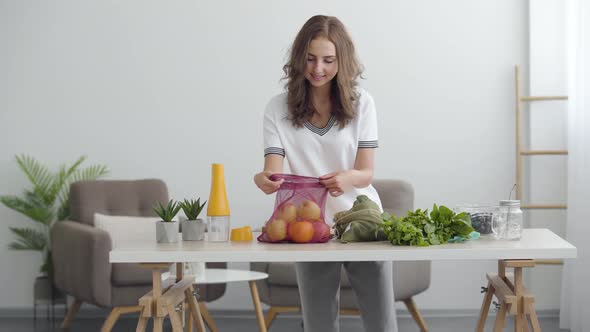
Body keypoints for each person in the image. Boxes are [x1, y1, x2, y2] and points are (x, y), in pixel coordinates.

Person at [253, 15, 397, 332]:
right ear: (298, 59)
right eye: (310, 59)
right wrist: (263, 180)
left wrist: (346, 178)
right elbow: (273, 172)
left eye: (328, 60)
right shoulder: (277, 109)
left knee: (381, 321)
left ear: (341, 61)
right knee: (318, 323)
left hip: (362, 220)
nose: (318, 69)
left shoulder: (362, 104)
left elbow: (366, 172)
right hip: (309, 226)